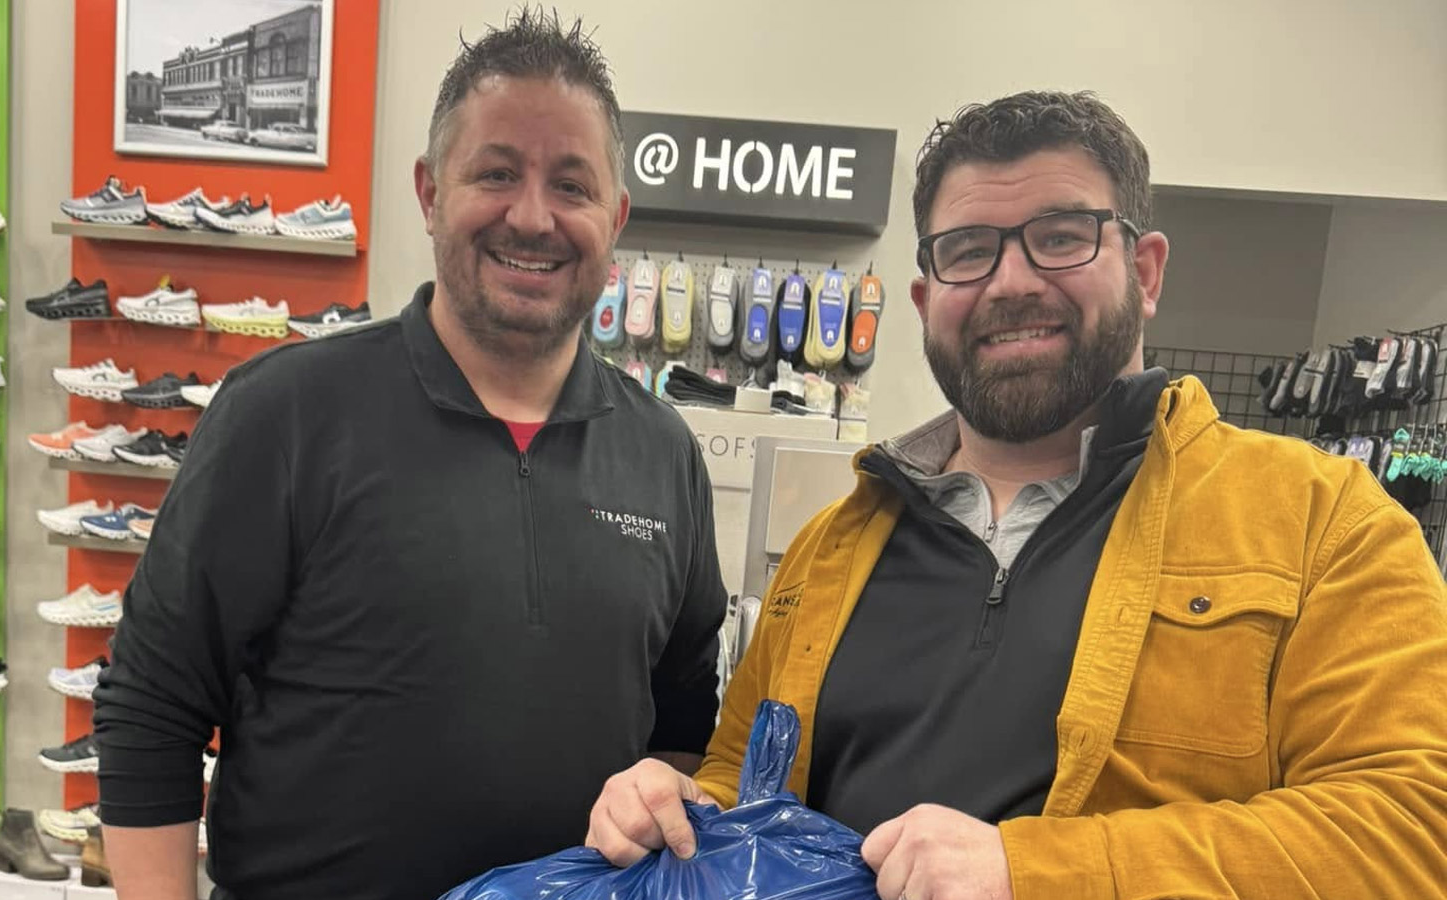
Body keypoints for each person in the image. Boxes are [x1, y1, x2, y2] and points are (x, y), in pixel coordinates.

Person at [584, 91, 1447, 899]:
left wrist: (1031, 873)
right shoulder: (832, 546)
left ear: (1145, 271)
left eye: (1062, 236)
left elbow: (1414, 829)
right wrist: (674, 805)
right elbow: (742, 788)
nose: (1011, 282)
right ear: (925, 301)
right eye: (969, 251)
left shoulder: (1321, 520)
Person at [93, 10, 727, 899]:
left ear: (615, 217)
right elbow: (151, 707)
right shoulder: (284, 413)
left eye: (572, 187)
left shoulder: (664, 455)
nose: (534, 216)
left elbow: (686, 720)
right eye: (496, 173)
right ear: (430, 193)